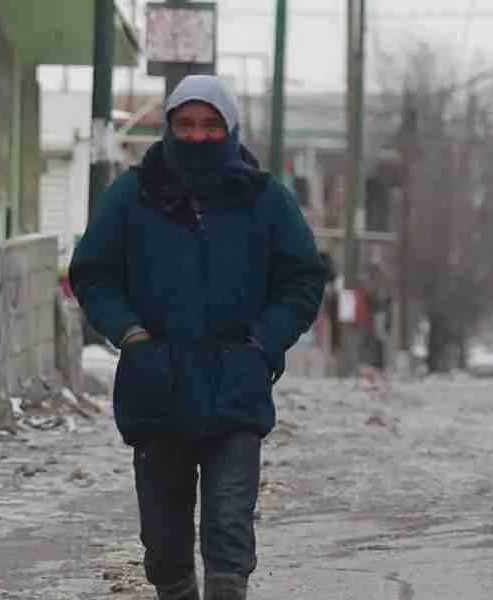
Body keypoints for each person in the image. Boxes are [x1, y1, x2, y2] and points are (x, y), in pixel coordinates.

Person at [69, 76, 326, 600]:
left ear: (230, 128)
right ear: (167, 127)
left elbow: (302, 280)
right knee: (164, 543)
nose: (198, 136)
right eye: (185, 124)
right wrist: (131, 334)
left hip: (236, 385)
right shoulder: (133, 195)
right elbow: (92, 273)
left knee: (230, 527)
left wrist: (263, 341)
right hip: (156, 387)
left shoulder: (265, 200)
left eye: (211, 125)